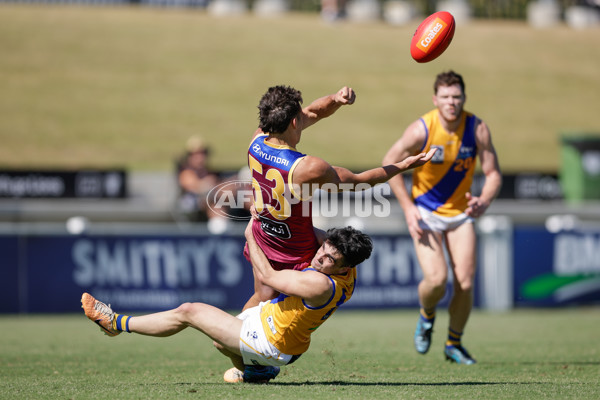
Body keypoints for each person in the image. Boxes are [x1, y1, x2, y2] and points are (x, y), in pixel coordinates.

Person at [81, 222, 373, 384]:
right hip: (284, 333)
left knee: (189, 311)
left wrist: (251, 234)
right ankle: (256, 372)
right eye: (323, 250)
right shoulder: (348, 266)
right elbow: (310, 233)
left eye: (329, 260)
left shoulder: (320, 283)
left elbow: (268, 275)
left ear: (342, 266)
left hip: (272, 342)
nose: (319, 258)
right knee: (222, 342)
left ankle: (115, 323)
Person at [244, 85, 437, 311]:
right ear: (294, 122)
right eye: (300, 117)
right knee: (321, 295)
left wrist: (335, 100)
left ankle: (231, 336)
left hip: (264, 237)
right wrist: (403, 165)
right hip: (297, 251)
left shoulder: (257, 139)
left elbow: (313, 113)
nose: (304, 118)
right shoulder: (308, 167)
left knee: (263, 295)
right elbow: (358, 182)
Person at [382, 71, 502, 365]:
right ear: (435, 99)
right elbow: (389, 163)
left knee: (465, 282)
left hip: (461, 214)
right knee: (437, 280)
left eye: (457, 96)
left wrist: (484, 199)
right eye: (446, 97)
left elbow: (493, 173)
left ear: (464, 98)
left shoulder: (477, 128)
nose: (452, 102)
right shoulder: (422, 130)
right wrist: (408, 208)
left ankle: (454, 343)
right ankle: (426, 315)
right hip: (425, 213)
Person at [176, 135, 221, 222]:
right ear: (189, 156)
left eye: (203, 153)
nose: (200, 158)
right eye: (196, 154)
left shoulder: (207, 171)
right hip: (190, 208)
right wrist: (210, 183)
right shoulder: (186, 172)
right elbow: (196, 186)